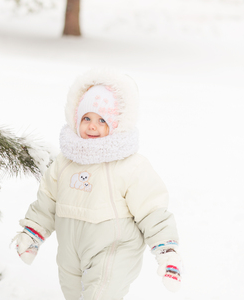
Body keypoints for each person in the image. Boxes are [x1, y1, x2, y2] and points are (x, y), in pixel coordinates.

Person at [12, 68, 183, 300]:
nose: (92, 126)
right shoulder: (63, 163)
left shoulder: (130, 166)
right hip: (70, 255)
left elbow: (151, 210)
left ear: (116, 125)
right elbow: (46, 203)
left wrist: (167, 252)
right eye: (86, 118)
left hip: (113, 253)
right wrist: (31, 235)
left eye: (102, 120)